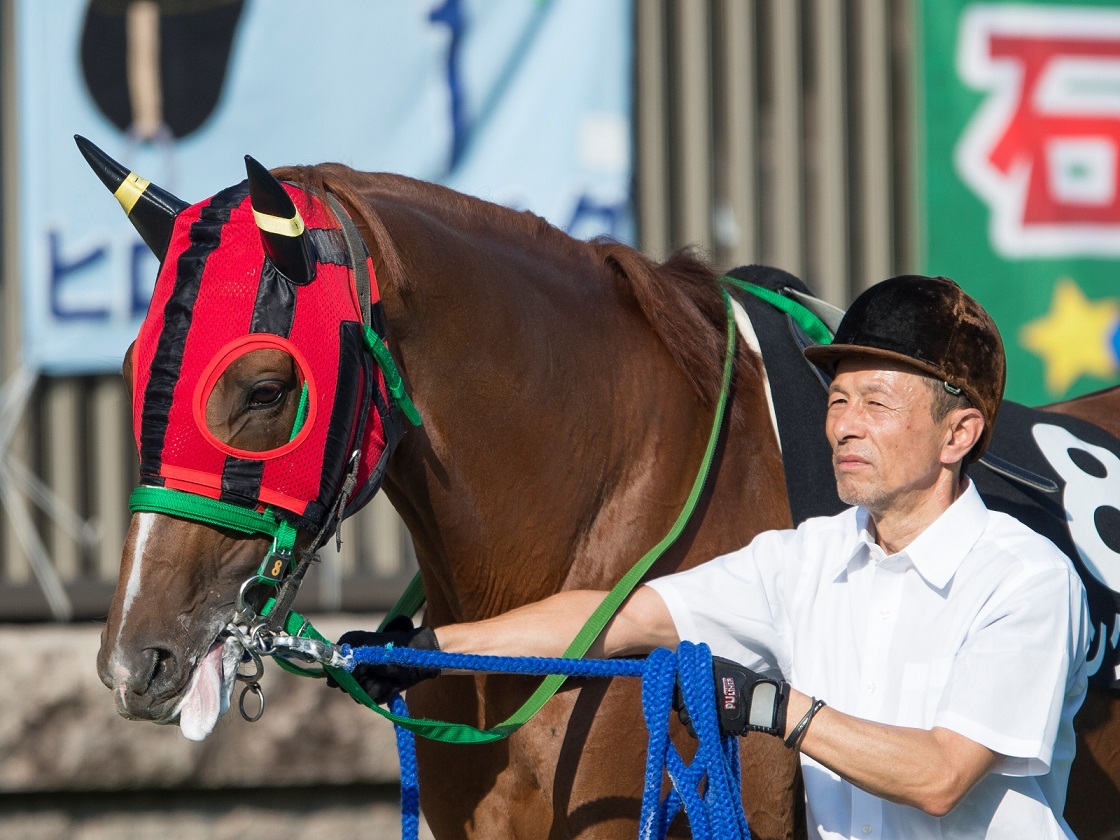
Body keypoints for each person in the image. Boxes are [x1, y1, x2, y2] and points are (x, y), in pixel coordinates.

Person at [341, 275, 1090, 839]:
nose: (844, 427)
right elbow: (620, 618)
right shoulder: (807, 558)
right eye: (837, 400)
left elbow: (938, 777)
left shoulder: (1024, 578)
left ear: (958, 435)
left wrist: (770, 708)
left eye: (877, 404)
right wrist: (431, 649)